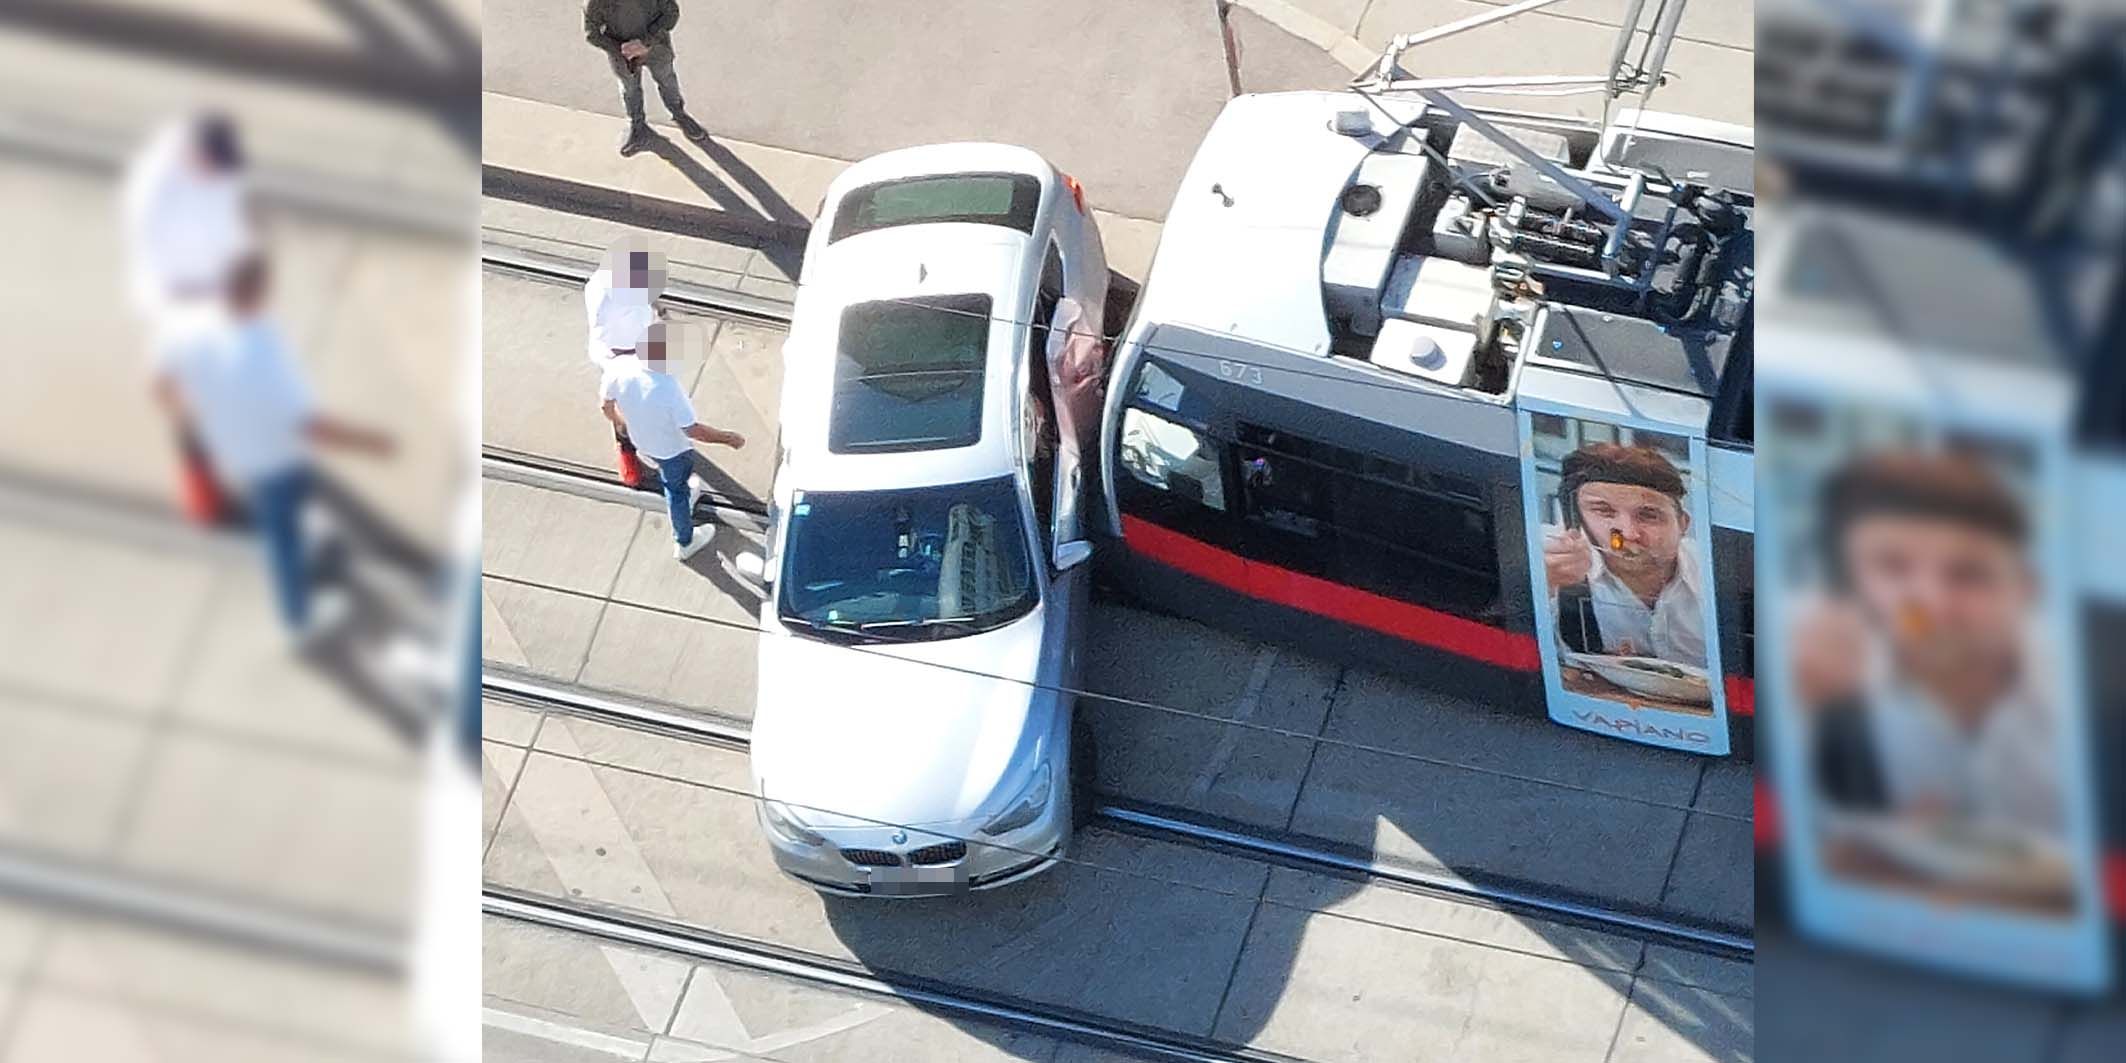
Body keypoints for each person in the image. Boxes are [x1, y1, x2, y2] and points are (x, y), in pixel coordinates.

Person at [1798, 451, 2062, 838]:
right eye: (1893, 566)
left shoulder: (2086, 699)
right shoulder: (1827, 706)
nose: (1931, 603)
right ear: (1852, 585)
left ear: (2026, 587)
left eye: (1969, 573)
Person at [151, 257, 393, 644]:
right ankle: (298, 620)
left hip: (245, 453)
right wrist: (369, 443)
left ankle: (311, 564)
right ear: (253, 293)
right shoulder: (257, 348)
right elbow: (307, 424)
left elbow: (165, 384)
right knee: (282, 534)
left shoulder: (200, 335)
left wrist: (201, 424)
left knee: (290, 516)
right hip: (276, 457)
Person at [122, 112, 259, 524]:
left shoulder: (219, 172)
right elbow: (153, 262)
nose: (223, 174)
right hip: (178, 302)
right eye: (216, 166)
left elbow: (233, 213)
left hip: (219, 291)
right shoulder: (152, 192)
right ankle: (201, 489)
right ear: (195, 155)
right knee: (186, 399)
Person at [1541, 441, 1706, 664]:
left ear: (1683, 524)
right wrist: (1543, 588)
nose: (1628, 534)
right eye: (1604, 511)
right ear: (1576, 518)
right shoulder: (1549, 557)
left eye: (1648, 515)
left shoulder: (1715, 573)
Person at [600, 323, 746, 560]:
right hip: (673, 451)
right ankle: (685, 541)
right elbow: (693, 430)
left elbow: (605, 405)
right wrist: (728, 438)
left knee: (676, 481)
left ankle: (688, 497)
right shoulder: (668, 389)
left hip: (642, 442)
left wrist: (622, 424)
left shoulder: (619, 368)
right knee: (674, 490)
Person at [585, 240, 664, 486]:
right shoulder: (602, 298)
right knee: (625, 407)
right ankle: (626, 449)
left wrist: (657, 311)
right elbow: (605, 336)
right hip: (620, 356)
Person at [583, 0, 707, 156]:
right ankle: (636, 124)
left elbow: (671, 13)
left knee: (667, 81)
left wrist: (645, 42)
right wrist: (622, 48)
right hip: (623, 56)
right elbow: (591, 34)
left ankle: (679, 114)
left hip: (656, 48)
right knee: (629, 89)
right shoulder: (596, 2)